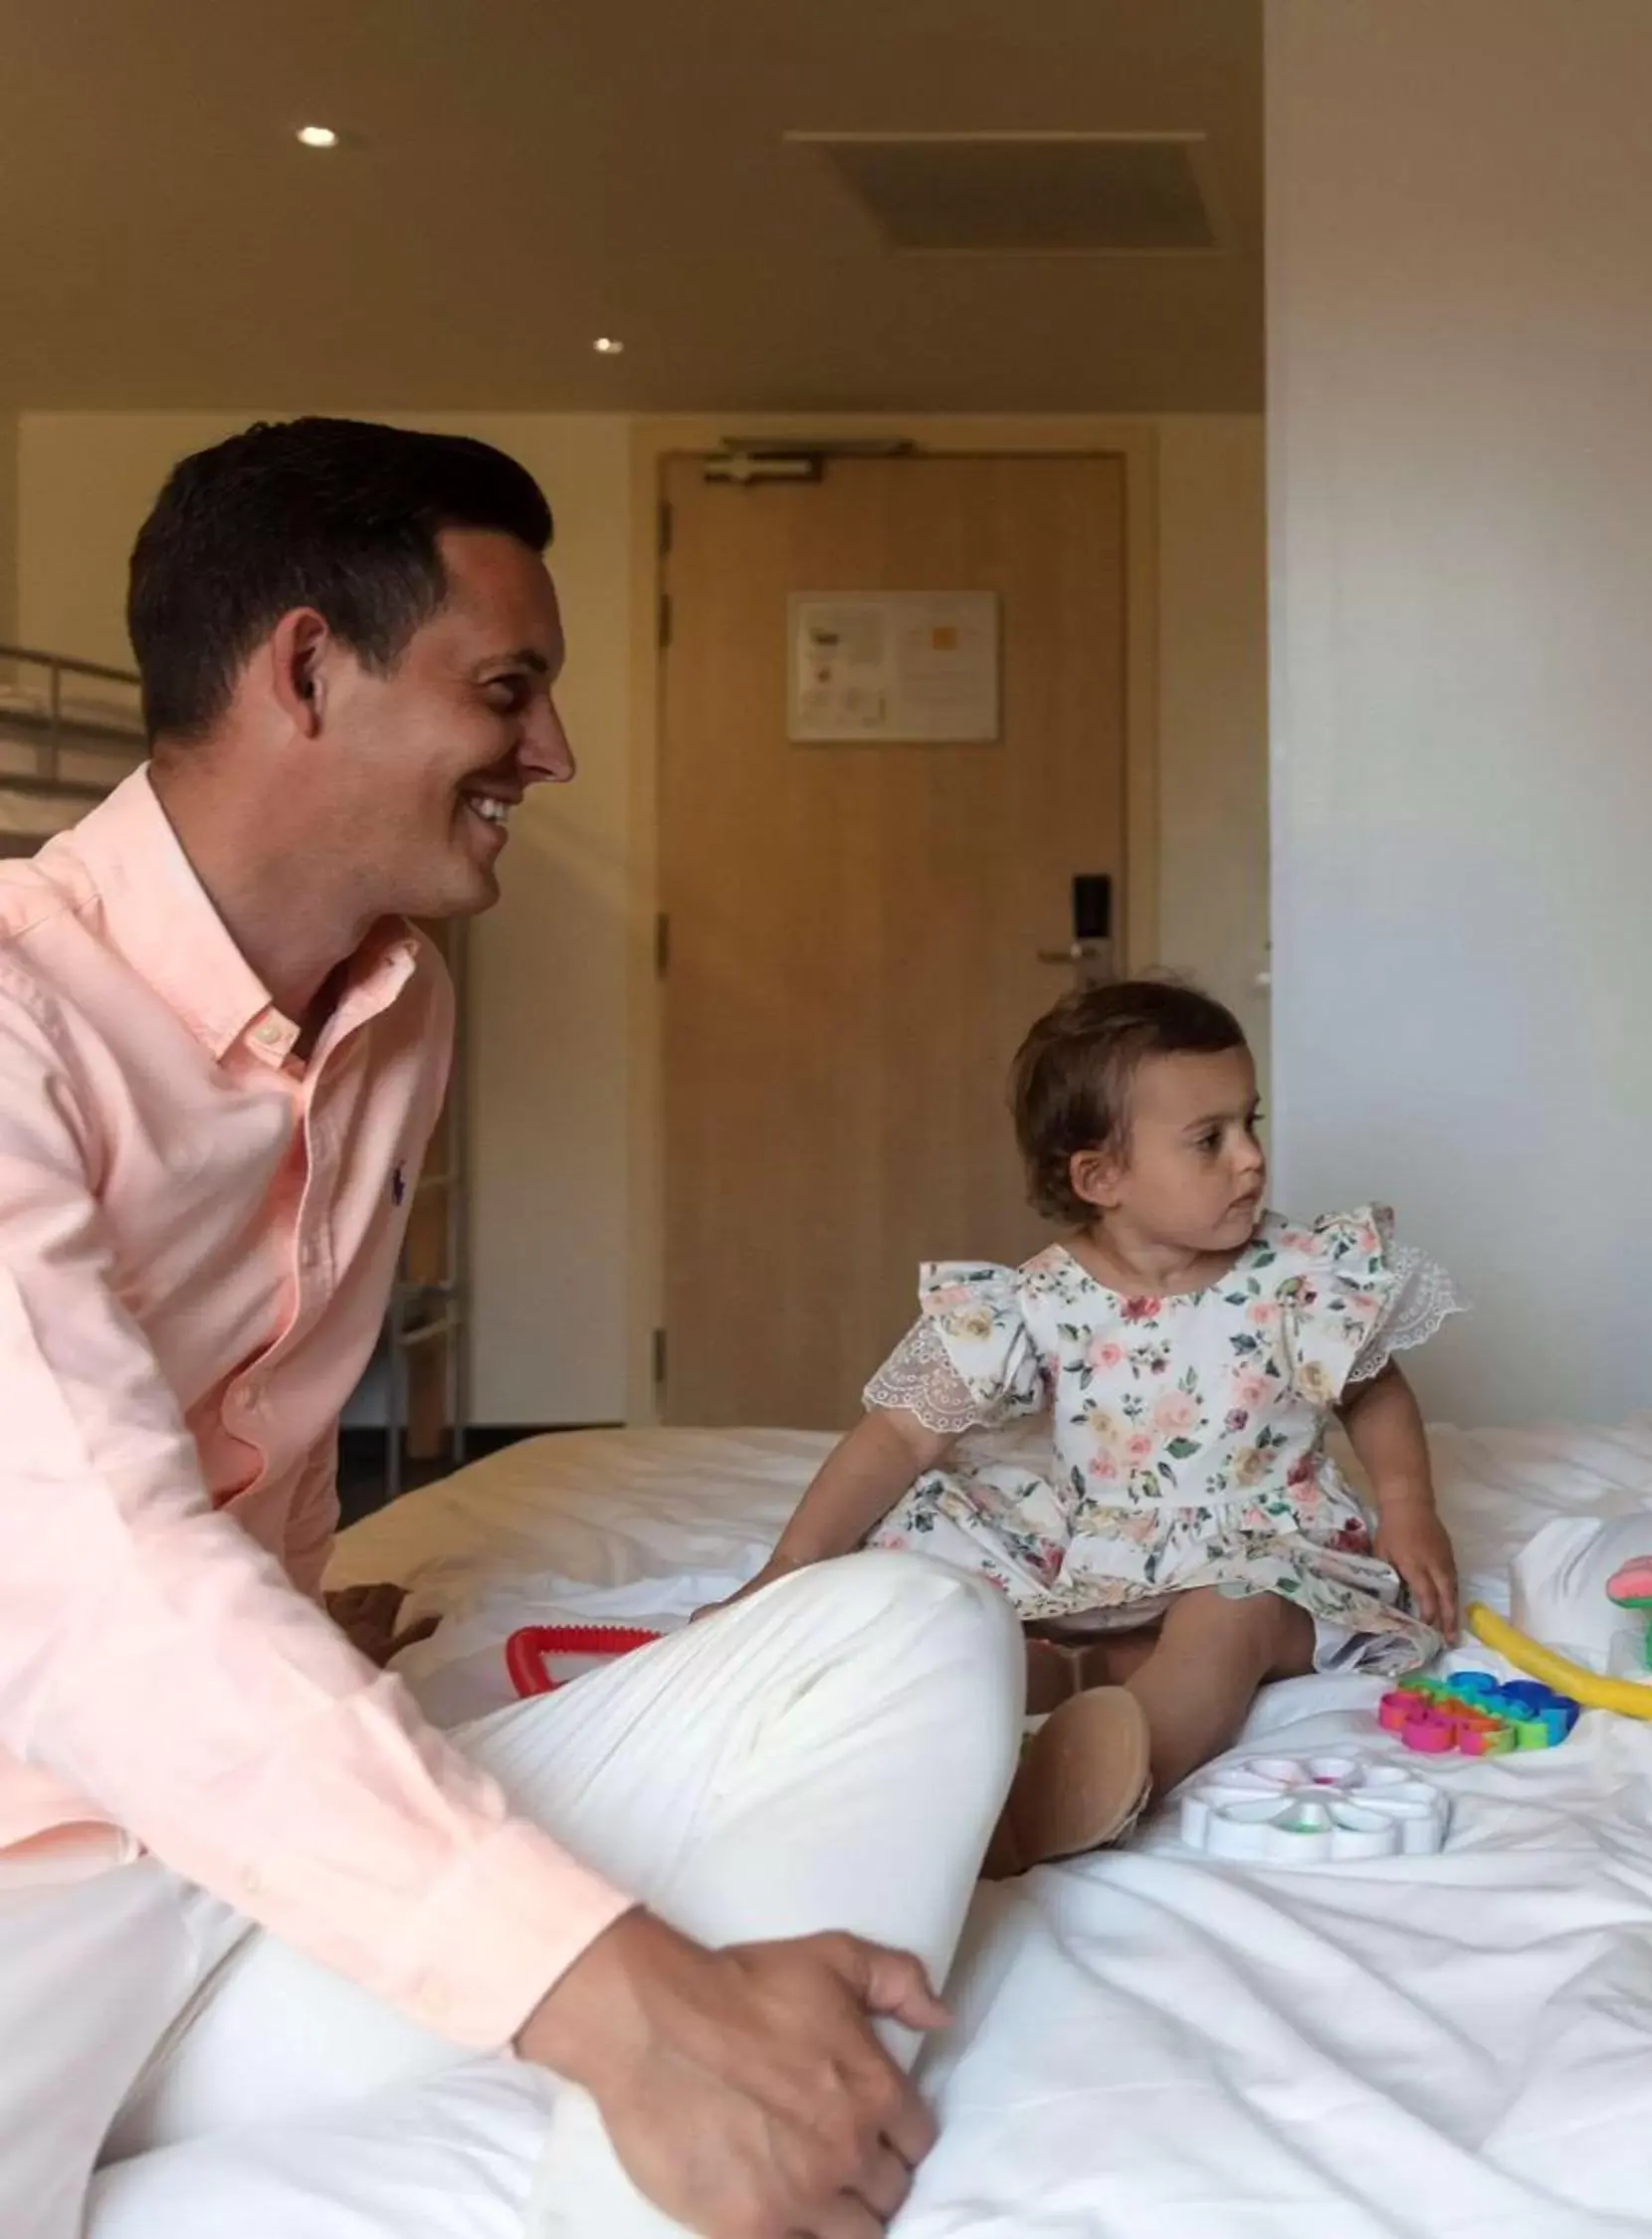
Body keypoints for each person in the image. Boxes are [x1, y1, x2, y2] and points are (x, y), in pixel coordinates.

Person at [0, 417, 1025, 2239]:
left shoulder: (398, 1009)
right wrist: (618, 2003)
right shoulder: (18, 1018)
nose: (548, 752)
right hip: (42, 1870)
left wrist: (307, 1626)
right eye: (508, 688)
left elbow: (280, 1423)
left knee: (909, 1627)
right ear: (306, 668)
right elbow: (100, 1596)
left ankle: (707, 2141)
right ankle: (668, 2095)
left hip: (251, 1839)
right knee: (606, 2004)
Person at [723, 977, 1463, 1869]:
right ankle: (1020, 1694)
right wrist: (790, 1566)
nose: (1251, 1160)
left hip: (1268, 1546)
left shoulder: (1296, 1273)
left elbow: (1371, 1388)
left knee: (1226, 1619)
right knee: (923, 1546)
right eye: (1209, 1140)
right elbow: (899, 1434)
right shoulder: (1035, 1301)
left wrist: (1408, 1501)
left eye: (1250, 1123)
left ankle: (1103, 1775)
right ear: (1100, 1177)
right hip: (1104, 1553)